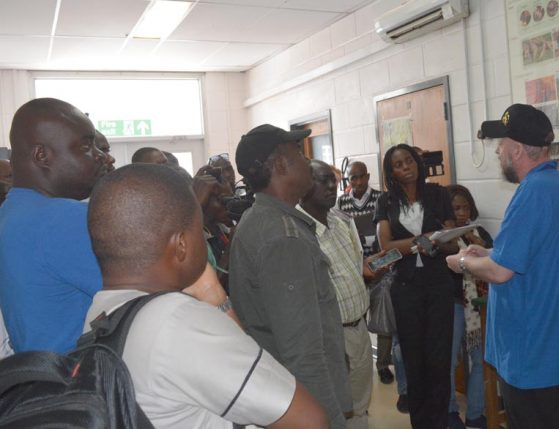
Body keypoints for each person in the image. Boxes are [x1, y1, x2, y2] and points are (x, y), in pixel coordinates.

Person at [84, 163, 328, 429]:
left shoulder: (98, 316)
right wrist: (214, 295)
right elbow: (309, 420)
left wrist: (210, 293)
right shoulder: (177, 321)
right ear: (181, 245)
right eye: (198, 228)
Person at [447, 104, 559, 429]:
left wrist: (463, 261)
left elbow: (500, 272)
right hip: (558, 350)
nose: (498, 151)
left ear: (515, 149)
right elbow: (532, 257)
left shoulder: (532, 192)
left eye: (500, 144)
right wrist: (487, 252)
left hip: (533, 355)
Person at [229, 124, 352, 429]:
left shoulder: (261, 219)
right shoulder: (284, 238)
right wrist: (331, 422)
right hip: (301, 405)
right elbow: (304, 356)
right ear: (281, 164)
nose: (306, 161)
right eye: (298, 152)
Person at [0, 97, 106, 353]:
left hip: (41, 379)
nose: (100, 156)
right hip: (82, 380)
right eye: (85, 146)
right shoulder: (63, 218)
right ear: (41, 155)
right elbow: (144, 295)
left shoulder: (11, 211)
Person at [300, 160, 390, 429]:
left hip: (358, 328)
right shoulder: (298, 231)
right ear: (303, 185)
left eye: (333, 181)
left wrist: (372, 267)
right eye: (322, 180)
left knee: (359, 404)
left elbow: (355, 267)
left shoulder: (340, 223)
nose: (331, 187)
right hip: (329, 335)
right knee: (336, 408)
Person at [374, 144, 457, 429]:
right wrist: (423, 240)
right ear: (391, 172)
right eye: (398, 164)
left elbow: (451, 241)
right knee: (413, 359)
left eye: (409, 160)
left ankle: (440, 422)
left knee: (439, 360)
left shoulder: (438, 193)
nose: (405, 166)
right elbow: (386, 246)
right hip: (406, 288)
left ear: (417, 163)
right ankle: (421, 424)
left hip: (438, 286)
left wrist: (435, 240)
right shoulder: (386, 202)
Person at [336, 161, 402, 388]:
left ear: (368, 176)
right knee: (358, 317)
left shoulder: (380, 199)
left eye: (360, 177)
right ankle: (358, 363)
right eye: (351, 178)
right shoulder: (342, 201)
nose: (356, 182)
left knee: (382, 315)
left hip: (381, 264)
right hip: (355, 266)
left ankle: (382, 365)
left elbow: (389, 230)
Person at [445, 184, 493, 429]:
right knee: (450, 360)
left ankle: (475, 413)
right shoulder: (443, 237)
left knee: (479, 359)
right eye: (455, 208)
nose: (461, 212)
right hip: (452, 304)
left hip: (477, 307)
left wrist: (476, 241)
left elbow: (495, 261)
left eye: (465, 207)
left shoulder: (479, 232)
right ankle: (450, 411)